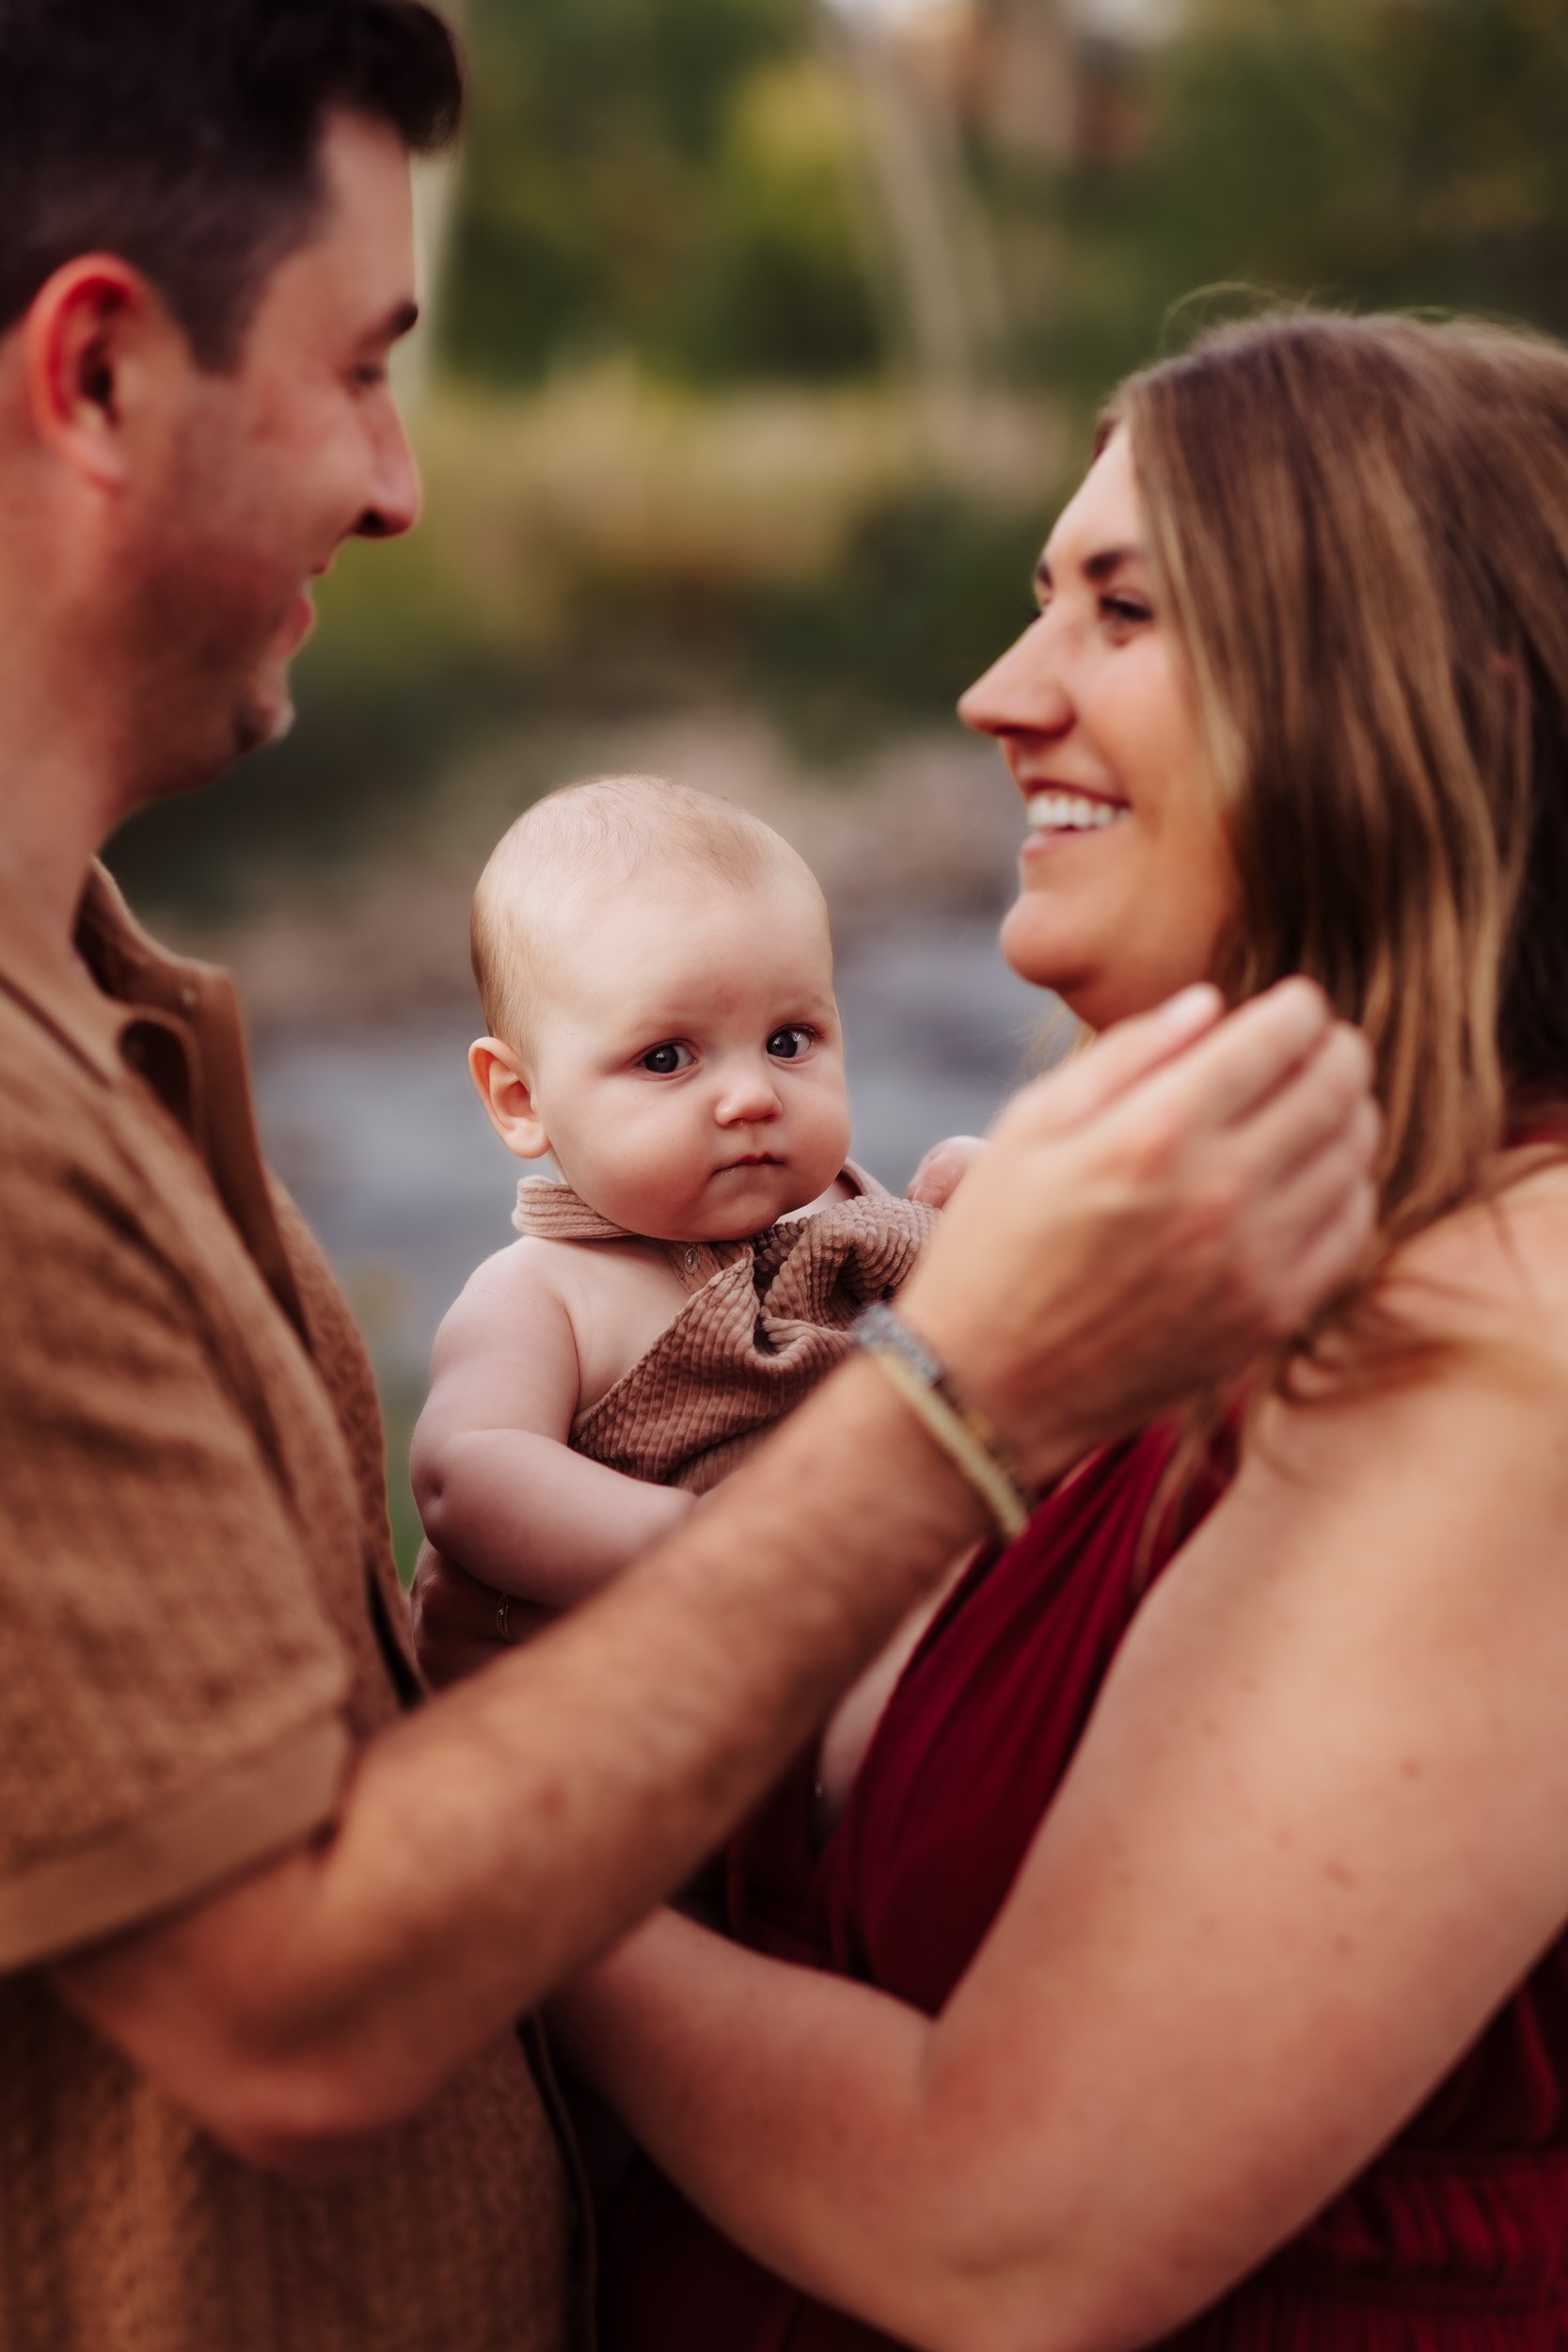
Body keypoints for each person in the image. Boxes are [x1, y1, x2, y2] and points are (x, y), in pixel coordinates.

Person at [0, 6, 1381, 2346]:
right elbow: (298, 2006)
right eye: (364, 367)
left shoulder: (115, 1025)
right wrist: (965, 1394)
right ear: (101, 377)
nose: (406, 480)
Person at [517, 310, 1568, 2352]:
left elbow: (1003, 2225)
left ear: (1429, 698)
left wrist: (463, 1871)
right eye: (1030, 606)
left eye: (1116, 610)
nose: (999, 697)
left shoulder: (1510, 1348)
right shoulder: (1223, 1257)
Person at [412, 773, 949, 1628]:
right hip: (663, 1687)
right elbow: (465, 1471)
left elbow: (963, 1348)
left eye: (788, 1041)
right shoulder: (543, 1293)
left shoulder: (852, 1212)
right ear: (521, 1098)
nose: (751, 1098)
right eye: (667, 1059)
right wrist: (694, 1544)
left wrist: (969, 1210)